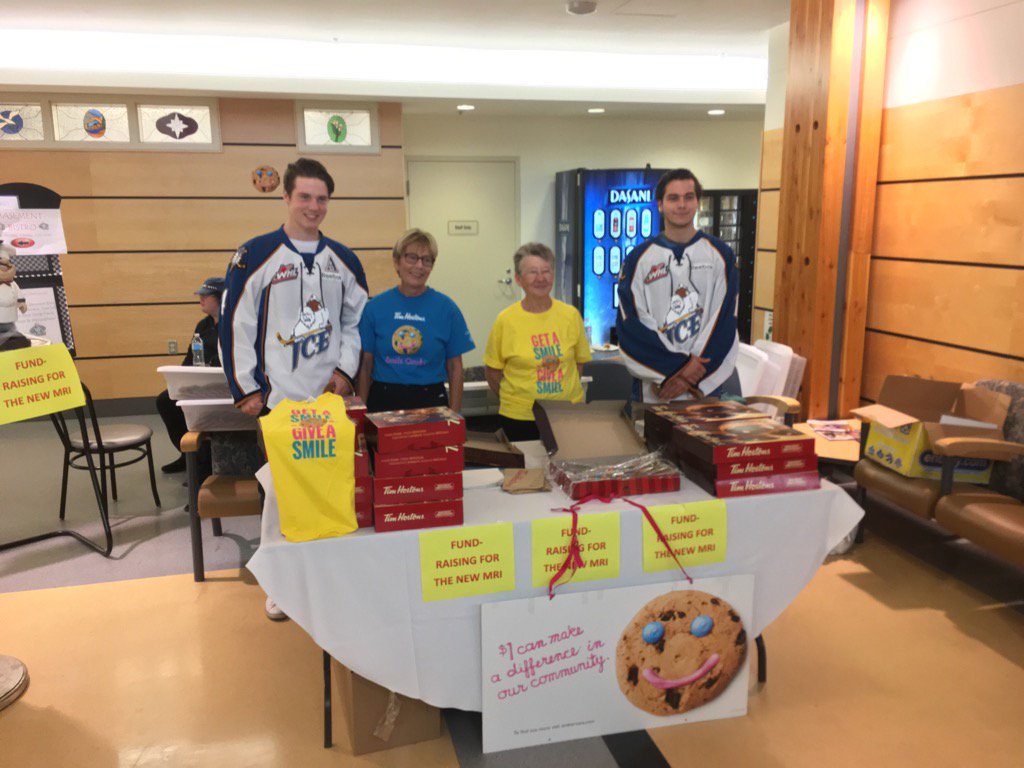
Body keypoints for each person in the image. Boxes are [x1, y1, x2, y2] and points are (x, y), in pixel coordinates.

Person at [220, 158, 368, 621]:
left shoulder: (344, 259)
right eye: (304, 196)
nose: (313, 206)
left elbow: (354, 322)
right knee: (279, 490)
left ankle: (328, 573)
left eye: (321, 198)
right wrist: (246, 387)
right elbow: (235, 323)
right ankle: (281, 582)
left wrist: (344, 372)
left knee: (329, 484)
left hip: (327, 399)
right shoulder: (255, 254)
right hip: (277, 398)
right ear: (285, 197)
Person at [616, 168, 740, 403]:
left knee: (700, 440)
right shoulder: (638, 259)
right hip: (654, 387)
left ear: (697, 202)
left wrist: (689, 376)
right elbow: (630, 324)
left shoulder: (720, 256)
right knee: (647, 440)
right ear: (660, 204)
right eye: (673, 198)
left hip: (703, 386)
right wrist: (678, 367)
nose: (681, 205)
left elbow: (724, 319)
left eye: (689, 197)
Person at [484, 242, 592, 441]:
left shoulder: (571, 315)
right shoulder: (505, 320)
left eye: (546, 271)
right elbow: (492, 372)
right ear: (518, 279)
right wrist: (516, 401)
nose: (541, 278)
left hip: (565, 414)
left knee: (567, 468)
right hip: (519, 417)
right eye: (533, 272)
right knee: (528, 471)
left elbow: (579, 363)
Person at [357, 228, 473, 413]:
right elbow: (365, 366)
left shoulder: (447, 309)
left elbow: (455, 367)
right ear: (396, 262)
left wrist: (456, 414)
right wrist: (360, 413)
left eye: (426, 260)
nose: (419, 266)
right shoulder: (375, 308)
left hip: (431, 400)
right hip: (384, 399)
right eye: (412, 257)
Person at [155, 276, 223, 473]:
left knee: (196, 409)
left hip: (221, 386)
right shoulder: (203, 325)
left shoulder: (232, 326)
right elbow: (191, 356)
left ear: (220, 297)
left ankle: (202, 465)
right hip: (200, 383)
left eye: (205, 295)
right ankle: (187, 455)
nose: (200, 299)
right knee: (166, 401)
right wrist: (180, 381)